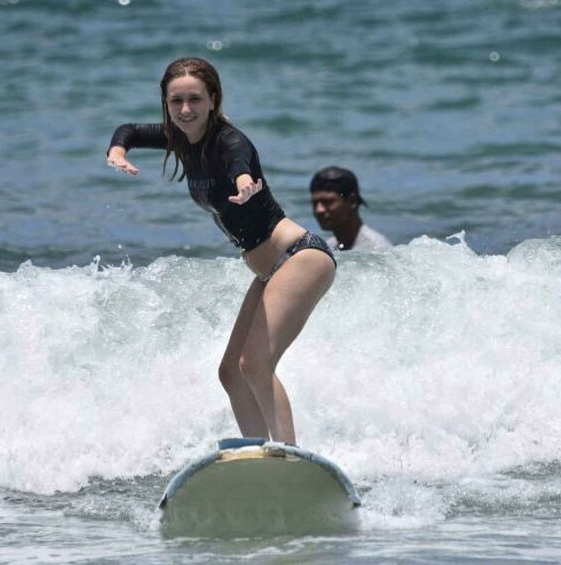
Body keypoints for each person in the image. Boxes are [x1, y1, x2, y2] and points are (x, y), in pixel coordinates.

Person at [105, 57, 336, 445]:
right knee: (232, 372)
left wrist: (245, 181)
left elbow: (238, 161)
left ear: (213, 99)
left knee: (255, 364)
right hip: (270, 271)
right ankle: (257, 454)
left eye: (195, 99)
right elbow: (128, 129)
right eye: (175, 101)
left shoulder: (229, 140)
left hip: (300, 257)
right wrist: (118, 151)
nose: (185, 110)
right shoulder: (179, 137)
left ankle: (289, 458)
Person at [310, 166, 393, 251]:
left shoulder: (377, 249)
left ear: (352, 201)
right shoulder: (330, 244)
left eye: (328, 202)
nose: (319, 210)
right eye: (314, 203)